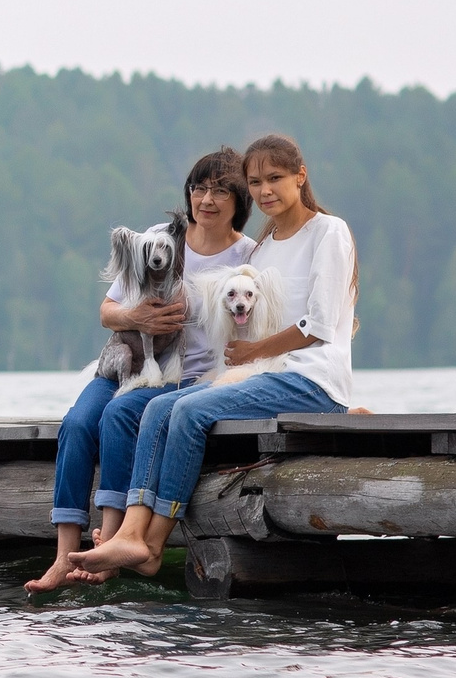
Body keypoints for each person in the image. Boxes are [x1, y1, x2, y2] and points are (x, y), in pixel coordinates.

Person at [70, 133, 357, 579]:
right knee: (160, 407)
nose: (265, 191)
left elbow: (318, 326)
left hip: (309, 378)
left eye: (275, 179)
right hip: (262, 373)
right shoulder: (266, 246)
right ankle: (130, 531)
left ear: (301, 176)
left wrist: (253, 351)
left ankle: (152, 543)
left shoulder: (328, 231)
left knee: (186, 409)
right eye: (257, 181)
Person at [25, 148, 258, 592]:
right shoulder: (159, 239)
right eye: (198, 188)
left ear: (239, 200)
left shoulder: (249, 256)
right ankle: (61, 557)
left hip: (188, 377)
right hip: (128, 361)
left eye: (220, 191)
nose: (206, 199)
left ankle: (109, 544)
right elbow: (107, 311)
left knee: (118, 415)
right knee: (76, 423)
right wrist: (139, 318)